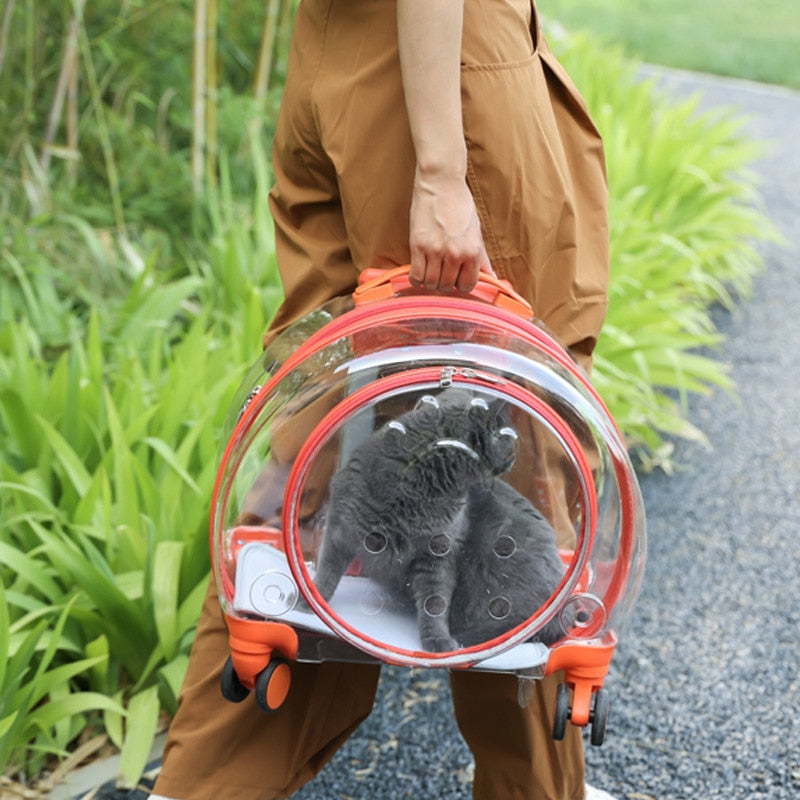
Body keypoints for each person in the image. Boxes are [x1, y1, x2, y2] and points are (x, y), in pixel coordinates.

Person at [151, 1, 616, 798]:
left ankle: (200, 788)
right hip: (442, 74)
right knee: (505, 461)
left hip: (336, 55)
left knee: (313, 455)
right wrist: (440, 171)